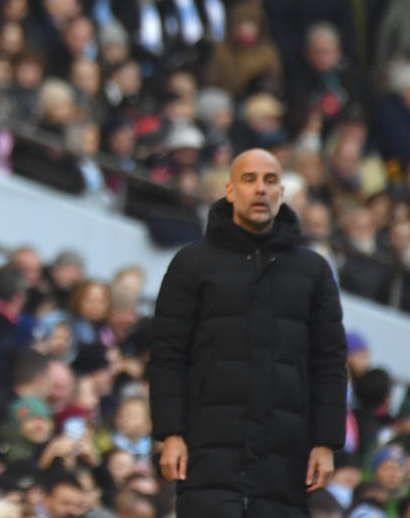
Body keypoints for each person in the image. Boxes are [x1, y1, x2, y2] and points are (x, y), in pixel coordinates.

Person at [149, 148, 348, 518]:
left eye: (270, 180)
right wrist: (170, 434)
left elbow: (330, 362)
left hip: (286, 460)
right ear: (229, 190)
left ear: (282, 193)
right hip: (206, 450)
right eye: (249, 179)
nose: (260, 189)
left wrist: (325, 442)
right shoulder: (191, 264)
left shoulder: (314, 272)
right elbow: (168, 355)